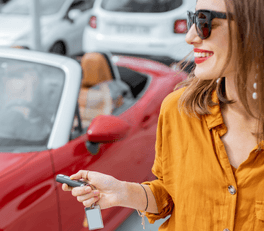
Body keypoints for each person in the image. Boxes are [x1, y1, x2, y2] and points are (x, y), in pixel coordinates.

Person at [62, 0, 264, 230]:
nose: (190, 37)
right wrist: (123, 192)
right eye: (192, 19)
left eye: (204, 22)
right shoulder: (179, 109)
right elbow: (169, 194)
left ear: (255, 27)